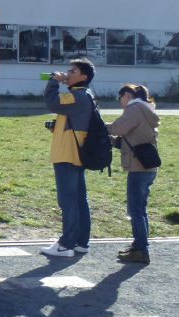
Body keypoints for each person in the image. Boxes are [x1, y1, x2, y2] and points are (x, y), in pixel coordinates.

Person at [42, 58, 96, 258]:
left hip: (67, 154)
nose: (68, 73)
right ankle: (81, 242)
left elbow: (52, 102)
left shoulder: (77, 96)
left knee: (68, 201)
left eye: (73, 71)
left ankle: (66, 245)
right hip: (76, 153)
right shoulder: (85, 95)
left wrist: (53, 82)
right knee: (80, 199)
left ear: (83, 76)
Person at [108, 84, 160, 264]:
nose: (120, 102)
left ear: (128, 95)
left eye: (120, 97)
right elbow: (131, 139)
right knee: (141, 210)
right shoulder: (147, 110)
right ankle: (139, 245)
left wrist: (98, 126)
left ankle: (141, 250)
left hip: (138, 168)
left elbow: (116, 128)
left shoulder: (134, 109)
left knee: (135, 210)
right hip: (148, 167)